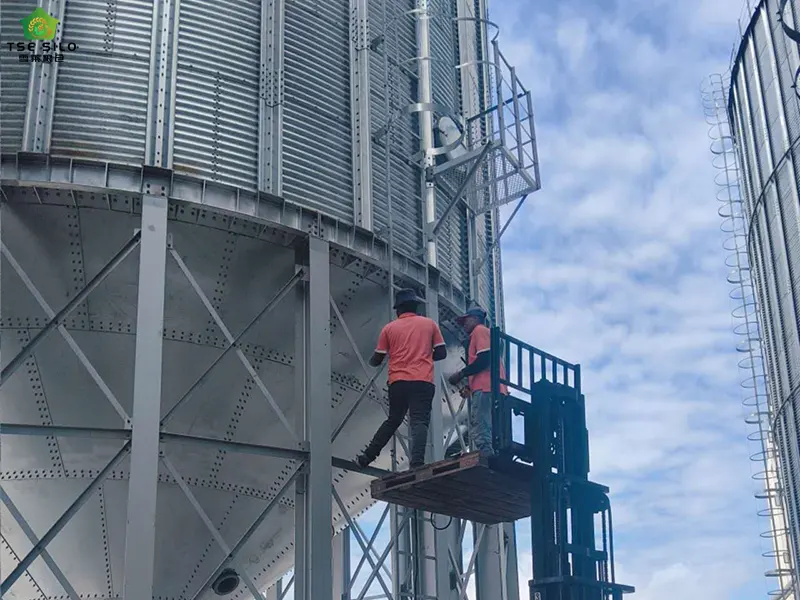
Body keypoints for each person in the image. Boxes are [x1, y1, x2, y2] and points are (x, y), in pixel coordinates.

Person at [355, 289, 447, 469]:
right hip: (422, 381)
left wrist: (373, 360)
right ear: (416, 307)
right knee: (419, 421)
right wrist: (424, 356)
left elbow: (377, 358)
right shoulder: (429, 325)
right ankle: (417, 463)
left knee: (393, 420)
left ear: (398, 309)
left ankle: (367, 457)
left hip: (398, 382)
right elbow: (442, 352)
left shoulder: (389, 328)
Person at [447, 306, 507, 456]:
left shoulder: (479, 331)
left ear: (475, 319)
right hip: (493, 387)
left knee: (481, 427)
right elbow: (486, 364)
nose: (464, 325)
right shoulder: (485, 334)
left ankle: (487, 457)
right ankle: (494, 456)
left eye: (466, 321)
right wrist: (470, 386)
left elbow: (484, 359)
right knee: (494, 429)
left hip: (486, 388)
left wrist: (461, 373)